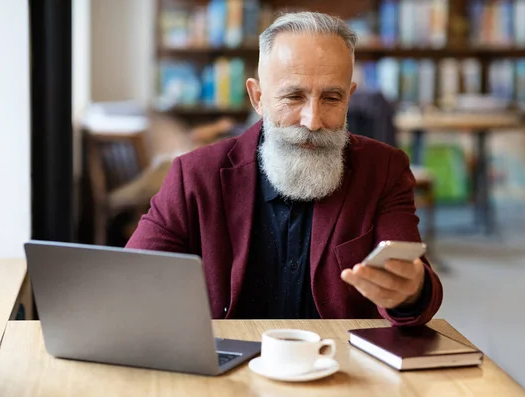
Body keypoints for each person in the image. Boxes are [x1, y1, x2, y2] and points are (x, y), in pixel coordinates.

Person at [126, 11, 443, 325]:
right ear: (258, 97)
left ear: (350, 97)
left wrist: (409, 292)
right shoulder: (195, 174)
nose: (313, 121)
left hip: (342, 365)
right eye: (293, 97)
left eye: (332, 98)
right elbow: (132, 279)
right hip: (229, 367)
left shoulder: (384, 169)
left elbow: (419, 290)